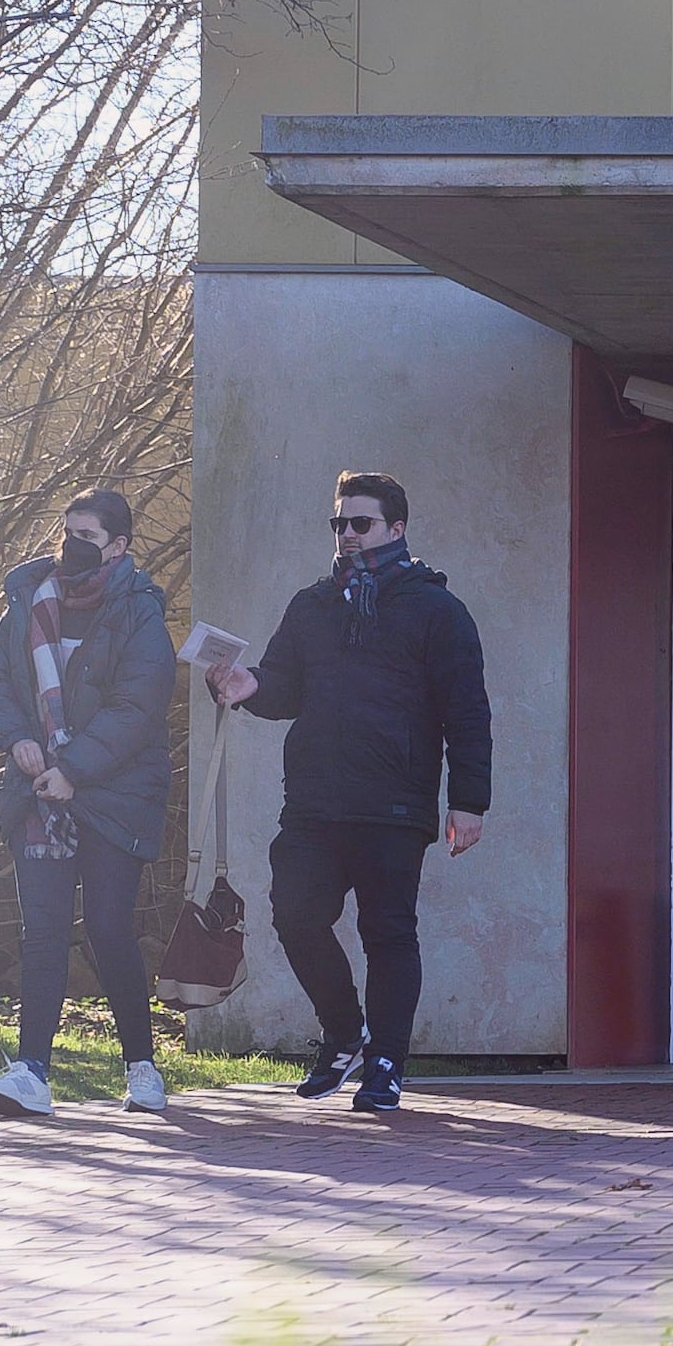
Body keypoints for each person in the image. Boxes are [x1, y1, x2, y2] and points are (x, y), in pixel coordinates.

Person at [210, 468, 490, 1112]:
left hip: (395, 803)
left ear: (396, 529)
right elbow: (282, 684)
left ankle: (386, 1062)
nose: (347, 536)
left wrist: (469, 801)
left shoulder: (436, 610)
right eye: (339, 524)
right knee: (295, 912)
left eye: (359, 524)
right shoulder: (312, 605)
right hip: (315, 803)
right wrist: (247, 686)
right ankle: (344, 1031)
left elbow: (467, 711)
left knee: (389, 932)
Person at [0, 485, 175, 1118]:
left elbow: (137, 706)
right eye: (66, 531)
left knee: (110, 928)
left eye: (86, 537)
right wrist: (19, 739)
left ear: (118, 547)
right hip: (38, 792)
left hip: (114, 794)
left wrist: (74, 770)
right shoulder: (28, 598)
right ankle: (31, 1074)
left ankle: (141, 1067)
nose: (70, 547)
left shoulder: (140, 614)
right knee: (45, 933)